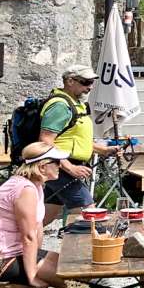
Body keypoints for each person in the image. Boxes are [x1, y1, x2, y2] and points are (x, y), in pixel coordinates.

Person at [38, 65, 123, 224]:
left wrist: (104, 150)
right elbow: (45, 141)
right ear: (70, 81)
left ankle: (12, 244)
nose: (89, 87)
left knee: (45, 217)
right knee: (89, 214)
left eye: (91, 83)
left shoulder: (76, 104)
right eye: (85, 82)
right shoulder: (60, 106)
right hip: (60, 168)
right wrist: (70, 167)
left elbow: (75, 139)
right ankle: (83, 248)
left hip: (61, 167)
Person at [0, 143, 70, 288]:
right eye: (56, 162)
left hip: (15, 252)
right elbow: (29, 236)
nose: (60, 166)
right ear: (42, 166)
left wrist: (37, 258)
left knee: (70, 270)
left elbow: (37, 227)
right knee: (70, 281)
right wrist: (32, 276)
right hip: (4, 258)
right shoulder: (25, 189)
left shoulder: (35, 185)